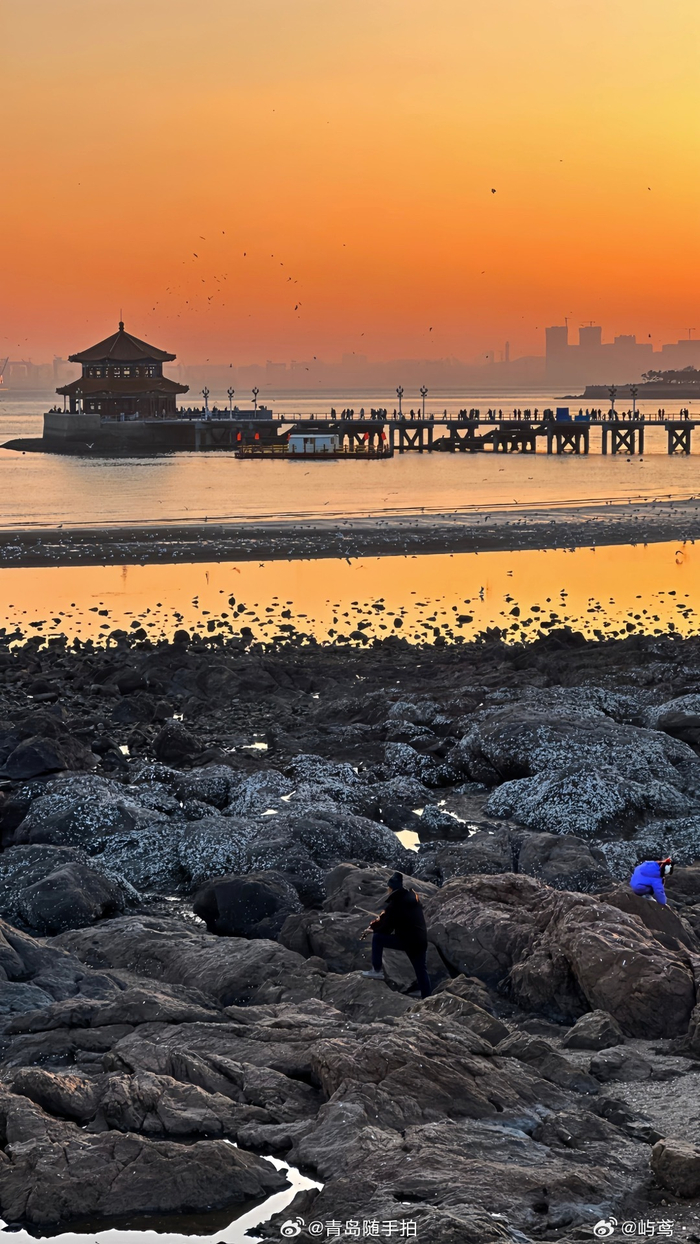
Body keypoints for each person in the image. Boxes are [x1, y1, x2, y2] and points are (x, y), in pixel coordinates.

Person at [362, 872, 431, 997]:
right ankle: (427, 996)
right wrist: (376, 926)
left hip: (408, 940)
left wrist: (374, 930)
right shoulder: (410, 897)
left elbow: (388, 926)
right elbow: (387, 918)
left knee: (378, 938)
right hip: (420, 940)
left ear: (391, 888)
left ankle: (376, 970)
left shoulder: (397, 903)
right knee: (421, 969)